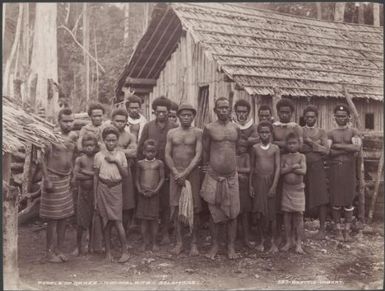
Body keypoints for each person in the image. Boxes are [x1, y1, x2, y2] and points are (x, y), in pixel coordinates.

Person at [200, 97, 240, 260]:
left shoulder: (235, 128)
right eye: (220, 108)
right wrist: (206, 168)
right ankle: (215, 245)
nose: (224, 110)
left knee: (233, 213)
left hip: (231, 177)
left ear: (230, 110)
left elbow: (237, 150)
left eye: (226, 108)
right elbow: (205, 150)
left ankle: (230, 247)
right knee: (214, 213)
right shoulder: (209, 128)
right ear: (215, 110)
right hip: (214, 176)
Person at [138, 96, 178, 245]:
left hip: (168, 170)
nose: (162, 114)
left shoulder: (174, 127)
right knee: (150, 202)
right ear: (154, 112)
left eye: (165, 112)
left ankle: (165, 232)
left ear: (169, 112)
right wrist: (141, 168)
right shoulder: (148, 126)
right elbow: (141, 147)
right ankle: (147, 236)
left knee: (166, 203)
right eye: (159, 111)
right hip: (150, 171)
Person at [40, 108, 78, 263]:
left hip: (66, 180)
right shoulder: (51, 137)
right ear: (59, 121)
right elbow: (41, 159)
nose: (68, 124)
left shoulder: (74, 136)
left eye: (71, 121)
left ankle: (60, 250)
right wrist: (47, 178)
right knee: (52, 219)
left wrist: (73, 174)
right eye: (65, 121)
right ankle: (49, 253)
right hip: (53, 179)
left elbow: (74, 156)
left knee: (64, 217)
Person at [165, 103, 203, 256]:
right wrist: (175, 172)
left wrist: (186, 173)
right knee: (175, 208)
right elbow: (167, 154)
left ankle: (194, 243)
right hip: (175, 174)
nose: (186, 118)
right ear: (178, 116)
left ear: (193, 117)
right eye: (183, 115)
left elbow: (198, 155)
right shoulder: (172, 133)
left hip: (191, 174)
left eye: (189, 115)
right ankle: (179, 242)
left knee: (194, 208)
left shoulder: (198, 132)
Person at [94, 126, 130, 263]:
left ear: (117, 140)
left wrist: (115, 161)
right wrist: (95, 197)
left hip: (116, 188)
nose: (110, 143)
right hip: (103, 189)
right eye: (108, 140)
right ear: (103, 140)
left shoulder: (121, 155)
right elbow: (95, 177)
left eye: (113, 140)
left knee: (117, 220)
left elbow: (125, 174)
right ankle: (108, 253)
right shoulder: (98, 156)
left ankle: (125, 251)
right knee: (106, 221)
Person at [327, 104, 361, 242]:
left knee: (348, 200)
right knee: (336, 200)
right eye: (338, 116)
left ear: (348, 117)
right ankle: (337, 230)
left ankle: (347, 230)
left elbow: (357, 148)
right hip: (335, 170)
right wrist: (348, 149)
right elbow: (328, 152)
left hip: (349, 170)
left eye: (343, 116)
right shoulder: (330, 133)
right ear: (334, 117)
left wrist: (338, 146)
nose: (341, 118)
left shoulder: (353, 132)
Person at [273, 98, 303, 240]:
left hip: (293, 163)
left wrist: (282, 144)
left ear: (291, 113)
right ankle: (279, 232)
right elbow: (271, 143)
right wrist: (286, 144)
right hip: (277, 163)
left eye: (287, 112)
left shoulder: (296, 127)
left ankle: (293, 236)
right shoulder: (274, 126)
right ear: (278, 112)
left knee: (294, 205)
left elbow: (300, 145)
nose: (284, 115)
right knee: (279, 199)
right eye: (282, 112)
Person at [250, 121, 280, 253]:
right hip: (258, 182)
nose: (264, 134)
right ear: (258, 134)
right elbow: (252, 167)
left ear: (271, 133)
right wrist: (251, 185)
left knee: (272, 214)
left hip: (270, 182)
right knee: (260, 213)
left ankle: (273, 242)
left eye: (267, 132)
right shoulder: (255, 148)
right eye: (262, 132)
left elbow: (278, 167)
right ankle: (261, 240)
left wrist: (274, 186)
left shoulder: (275, 148)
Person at [301, 105, 329, 240]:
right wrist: (316, 146)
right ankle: (300, 229)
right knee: (301, 195)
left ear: (316, 118)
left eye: (312, 117)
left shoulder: (322, 131)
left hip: (318, 167)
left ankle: (322, 229)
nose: (310, 119)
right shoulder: (300, 130)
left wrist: (309, 142)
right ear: (304, 118)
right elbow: (299, 147)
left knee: (321, 197)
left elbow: (326, 150)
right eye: (307, 117)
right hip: (303, 166)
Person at [110, 108, 137, 237]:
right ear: (112, 121)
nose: (119, 123)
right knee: (110, 202)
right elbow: (102, 150)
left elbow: (134, 152)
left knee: (126, 203)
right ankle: (110, 234)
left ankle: (124, 233)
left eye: (122, 121)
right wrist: (124, 151)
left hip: (126, 172)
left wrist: (116, 151)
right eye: (117, 121)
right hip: (109, 172)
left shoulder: (130, 136)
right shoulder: (106, 134)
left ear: (126, 122)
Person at [135, 139, 165, 252]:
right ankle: (144, 242)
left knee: (154, 220)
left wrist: (156, 191)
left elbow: (162, 178)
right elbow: (137, 179)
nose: (150, 154)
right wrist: (139, 190)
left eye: (153, 151)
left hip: (154, 195)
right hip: (143, 194)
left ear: (156, 152)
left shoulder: (159, 163)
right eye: (148, 151)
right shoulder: (140, 163)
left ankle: (154, 242)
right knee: (143, 220)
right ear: (143, 152)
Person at [280, 132, 306, 254]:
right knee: (287, 215)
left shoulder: (301, 156)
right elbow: (281, 171)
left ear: (299, 144)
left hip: (298, 189)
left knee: (299, 215)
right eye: (289, 143)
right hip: (287, 189)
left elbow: (304, 171)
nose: (291, 146)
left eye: (294, 143)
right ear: (286, 144)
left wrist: (292, 168)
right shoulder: (284, 157)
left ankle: (299, 243)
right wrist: (292, 168)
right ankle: (289, 241)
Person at [72, 133, 98, 256]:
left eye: (92, 145)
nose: (89, 148)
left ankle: (91, 245)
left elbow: (99, 175)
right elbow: (76, 175)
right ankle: (78, 246)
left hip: (94, 192)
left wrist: (85, 172)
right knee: (80, 221)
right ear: (82, 146)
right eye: (87, 145)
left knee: (92, 219)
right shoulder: (80, 159)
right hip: (82, 193)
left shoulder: (97, 158)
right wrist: (91, 174)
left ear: (95, 146)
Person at [236, 143, 252, 248]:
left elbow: (248, 169)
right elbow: (229, 169)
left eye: (244, 146)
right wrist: (238, 174)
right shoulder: (232, 156)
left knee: (245, 214)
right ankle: (235, 238)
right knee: (235, 213)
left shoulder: (246, 156)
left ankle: (246, 239)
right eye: (240, 146)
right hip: (234, 187)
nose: (242, 148)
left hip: (244, 188)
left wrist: (237, 171)